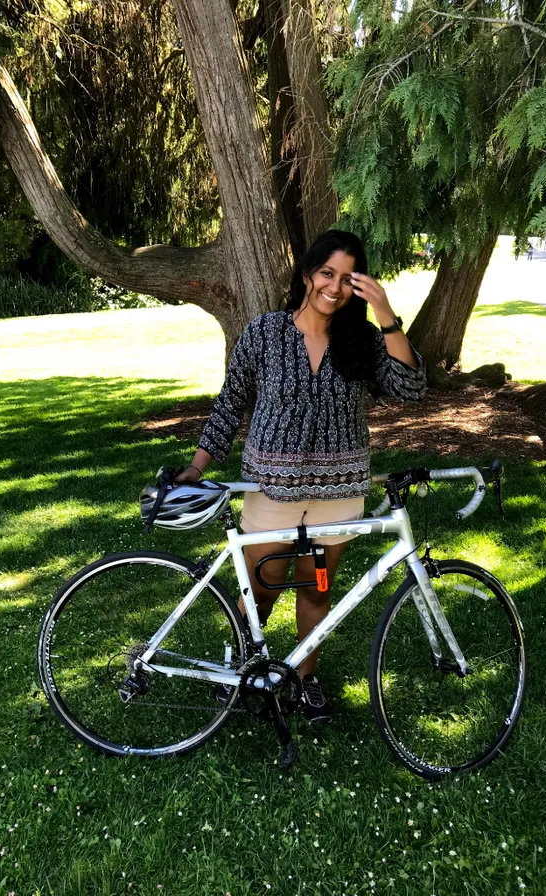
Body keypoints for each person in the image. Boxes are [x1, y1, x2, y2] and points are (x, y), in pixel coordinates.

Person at [175, 230, 426, 722]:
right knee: (263, 587)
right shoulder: (265, 332)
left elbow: (411, 388)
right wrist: (198, 465)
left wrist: (387, 315)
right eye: (326, 273)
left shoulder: (363, 340)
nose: (333, 287)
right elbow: (231, 404)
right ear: (307, 274)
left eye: (347, 279)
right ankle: (250, 669)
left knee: (317, 589)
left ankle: (305, 679)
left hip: (339, 497)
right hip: (273, 495)